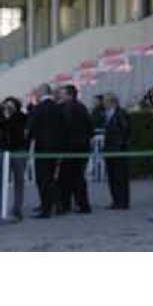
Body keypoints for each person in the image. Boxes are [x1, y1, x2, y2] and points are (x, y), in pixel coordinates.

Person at [26, 83, 65, 218]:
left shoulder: (39, 108)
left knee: (43, 179)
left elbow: (30, 127)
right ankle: (58, 204)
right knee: (51, 178)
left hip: (42, 148)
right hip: (56, 148)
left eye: (37, 92)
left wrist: (26, 144)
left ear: (42, 92)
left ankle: (46, 208)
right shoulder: (57, 107)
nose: (35, 94)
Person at [57, 85, 93, 214]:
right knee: (76, 177)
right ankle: (80, 204)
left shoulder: (68, 108)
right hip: (82, 147)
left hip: (71, 149)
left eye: (62, 93)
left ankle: (72, 204)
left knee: (69, 177)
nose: (59, 96)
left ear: (69, 95)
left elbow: (64, 129)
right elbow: (90, 128)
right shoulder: (81, 107)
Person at [0, 97, 27, 221]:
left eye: (11, 106)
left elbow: (17, 128)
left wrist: (10, 116)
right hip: (3, 151)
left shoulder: (21, 116)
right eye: (6, 105)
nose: (8, 108)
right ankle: (2, 208)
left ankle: (17, 208)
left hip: (18, 151)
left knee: (19, 181)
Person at [103, 93, 131, 209]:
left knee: (120, 178)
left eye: (106, 101)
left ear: (112, 102)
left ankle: (123, 202)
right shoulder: (108, 114)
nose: (104, 103)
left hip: (119, 151)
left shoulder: (120, 113)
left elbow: (125, 132)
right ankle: (115, 201)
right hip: (110, 151)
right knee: (112, 178)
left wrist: (120, 147)